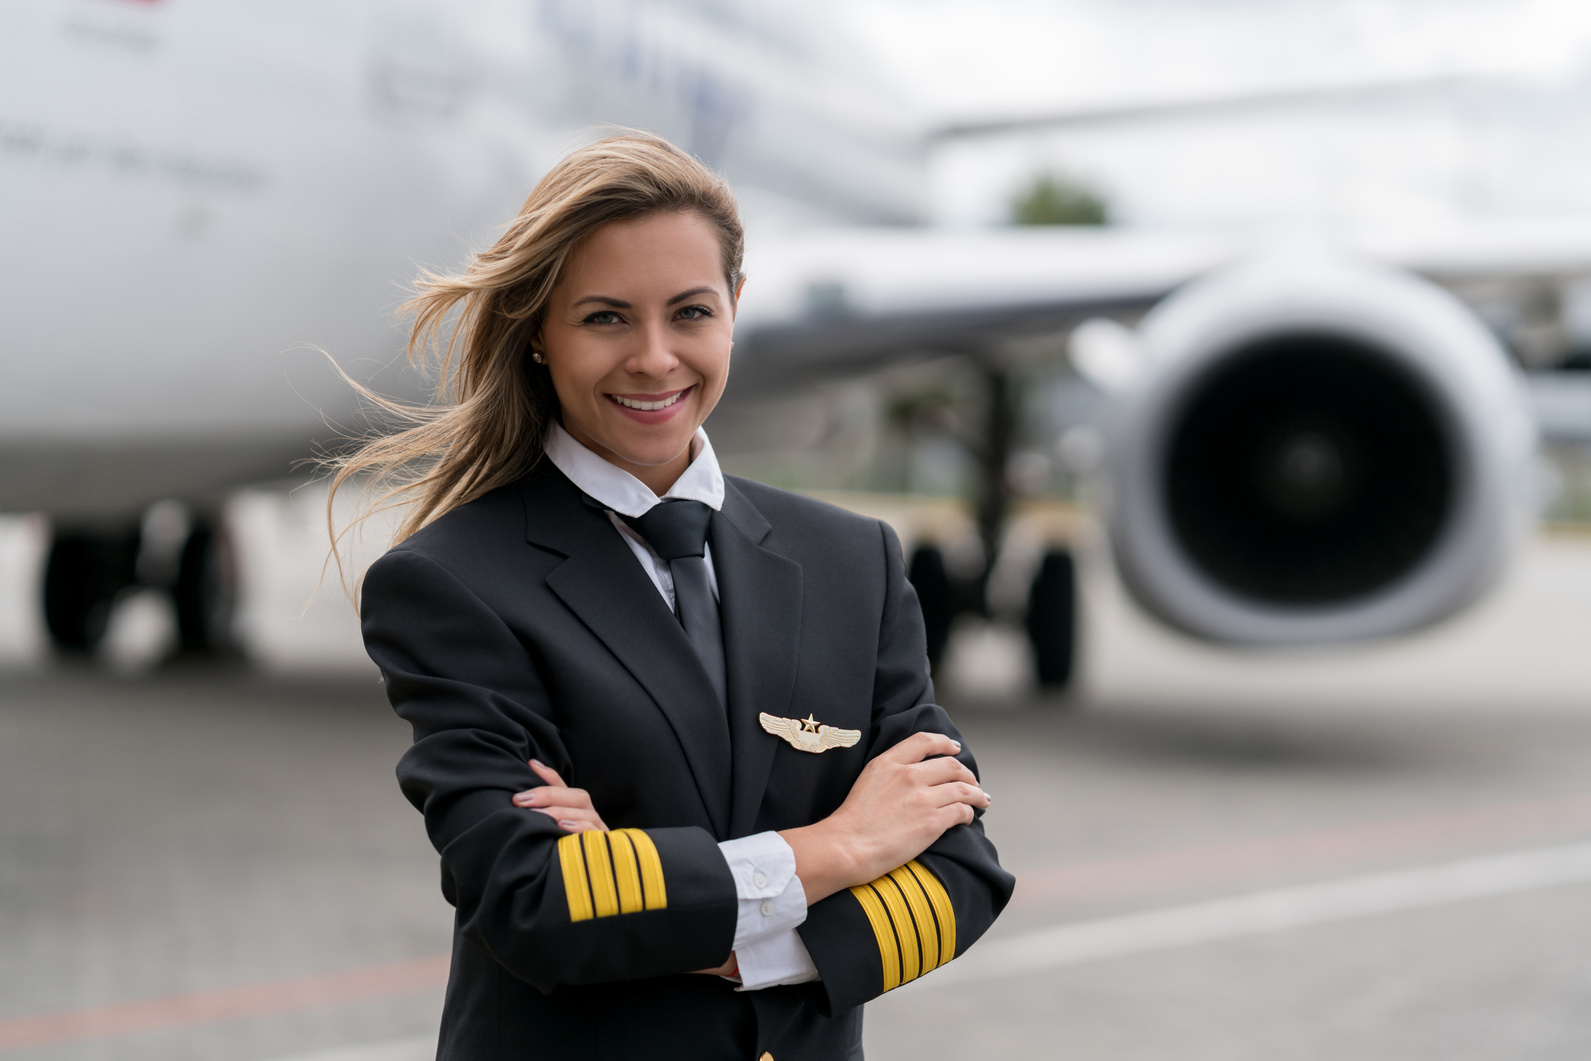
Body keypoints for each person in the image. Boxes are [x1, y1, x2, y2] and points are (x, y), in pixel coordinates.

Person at [340, 132, 1013, 1061]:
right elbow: (534, 900)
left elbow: (962, 870)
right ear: (539, 330)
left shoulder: (852, 561)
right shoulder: (453, 583)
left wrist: (707, 932)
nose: (655, 359)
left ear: (734, 307)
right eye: (606, 318)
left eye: (689, 312)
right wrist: (840, 847)